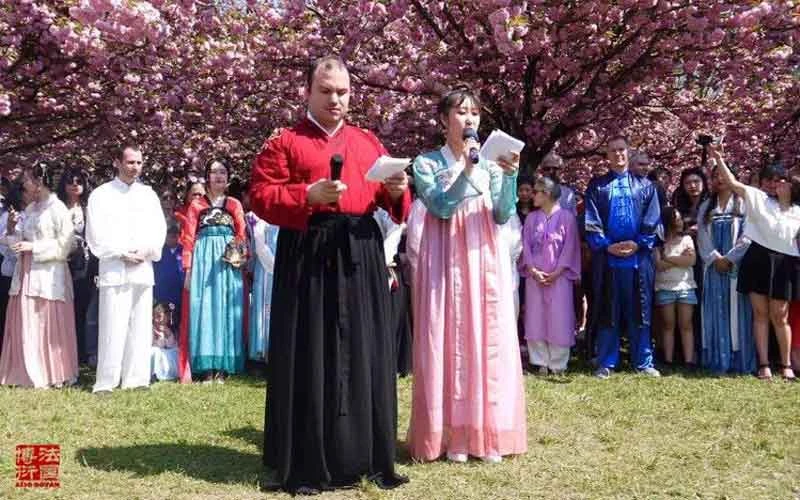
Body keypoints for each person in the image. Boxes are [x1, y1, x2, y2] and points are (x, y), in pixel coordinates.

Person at [249, 55, 410, 494]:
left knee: (363, 350)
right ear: (307, 92)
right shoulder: (284, 141)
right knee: (311, 350)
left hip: (360, 251)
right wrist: (307, 195)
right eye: (326, 91)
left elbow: (391, 201)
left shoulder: (368, 141)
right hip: (308, 252)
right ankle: (306, 455)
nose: (336, 99)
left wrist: (397, 192)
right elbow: (260, 195)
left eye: (342, 91)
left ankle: (364, 452)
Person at [407, 87, 526, 463]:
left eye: (474, 113)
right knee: (447, 334)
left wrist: (510, 177)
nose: (470, 119)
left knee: (485, 334)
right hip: (444, 256)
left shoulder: (491, 164)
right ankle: (450, 433)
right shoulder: (426, 163)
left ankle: (486, 431)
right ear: (444, 120)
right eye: (461, 113)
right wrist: (467, 169)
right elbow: (440, 207)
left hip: (484, 255)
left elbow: (504, 213)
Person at [712, 145, 798, 381]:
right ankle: (763, 364)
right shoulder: (757, 197)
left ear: (788, 183)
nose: (773, 184)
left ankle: (786, 364)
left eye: (779, 180)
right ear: (762, 183)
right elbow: (732, 183)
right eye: (768, 180)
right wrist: (719, 159)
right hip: (757, 258)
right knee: (760, 314)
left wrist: (785, 201)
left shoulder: (797, 210)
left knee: (780, 316)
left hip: (784, 264)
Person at [86, 144, 167, 393]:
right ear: (117, 162)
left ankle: (136, 379)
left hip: (142, 269)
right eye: (130, 162)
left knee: (140, 326)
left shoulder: (148, 195)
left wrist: (146, 251)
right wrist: (121, 253)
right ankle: (106, 382)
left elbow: (159, 229)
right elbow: (95, 235)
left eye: (139, 163)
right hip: (114, 268)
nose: (135, 168)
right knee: (112, 325)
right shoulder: (101, 194)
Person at [584, 135, 661, 378]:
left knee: (641, 309)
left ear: (629, 153)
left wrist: (638, 244)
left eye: (622, 150)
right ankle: (607, 361)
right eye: (613, 151)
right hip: (608, 260)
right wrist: (606, 246)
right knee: (609, 309)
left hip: (638, 260)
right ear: (607, 156)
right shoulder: (597, 186)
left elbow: (653, 220)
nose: (618, 154)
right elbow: (591, 221)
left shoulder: (646, 186)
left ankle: (643, 361)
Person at [0, 163, 78, 388]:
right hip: (26, 273)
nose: (23, 184)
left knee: (46, 322)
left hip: (49, 276)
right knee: (27, 320)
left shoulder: (58, 209)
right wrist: (13, 229)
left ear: (39, 181)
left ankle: (51, 371)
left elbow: (66, 245)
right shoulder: (32, 208)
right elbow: (16, 242)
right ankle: (26, 370)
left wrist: (34, 248)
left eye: (26, 180)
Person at [179, 158, 246, 384]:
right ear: (207, 176)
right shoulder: (197, 205)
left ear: (228, 177)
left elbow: (241, 235)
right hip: (204, 260)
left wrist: (237, 254)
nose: (219, 176)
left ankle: (224, 367)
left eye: (223, 172)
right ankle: (206, 368)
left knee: (226, 307)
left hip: (227, 261)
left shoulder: (235, 204)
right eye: (215, 172)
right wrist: (188, 270)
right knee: (205, 308)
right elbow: (188, 238)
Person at [696, 163, 754, 374]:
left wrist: (730, 258)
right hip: (712, 268)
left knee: (737, 310)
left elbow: (748, 235)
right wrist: (714, 258)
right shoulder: (706, 207)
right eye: (715, 176)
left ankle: (739, 361)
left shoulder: (743, 204)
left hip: (735, 267)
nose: (719, 179)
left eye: (723, 175)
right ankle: (716, 360)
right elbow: (702, 236)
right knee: (713, 310)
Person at [522, 176, 581, 374]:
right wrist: (532, 269)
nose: (532, 196)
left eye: (536, 192)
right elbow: (526, 246)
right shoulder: (531, 218)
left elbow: (570, 247)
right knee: (535, 316)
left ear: (546, 194)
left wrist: (558, 272)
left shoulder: (567, 218)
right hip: (535, 277)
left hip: (559, 277)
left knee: (559, 317)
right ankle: (540, 361)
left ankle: (558, 363)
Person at [56, 166, 94, 364]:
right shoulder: (57, 207)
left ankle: (79, 353)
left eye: (79, 181)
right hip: (59, 263)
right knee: (60, 307)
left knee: (81, 309)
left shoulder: (88, 208)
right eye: (71, 181)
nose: (75, 185)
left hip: (84, 265)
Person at [654, 206, 698, 368]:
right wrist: (679, 259)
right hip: (665, 287)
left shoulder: (687, 240)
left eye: (680, 218)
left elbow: (690, 261)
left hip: (685, 286)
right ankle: (668, 359)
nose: (679, 222)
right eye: (675, 219)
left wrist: (668, 257)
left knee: (686, 324)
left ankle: (688, 360)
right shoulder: (659, 242)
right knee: (668, 324)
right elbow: (659, 265)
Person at [245, 208, 278, 362]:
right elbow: (258, 245)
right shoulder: (257, 219)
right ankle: (262, 350)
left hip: (283, 269)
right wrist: (273, 264)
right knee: (263, 308)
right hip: (266, 270)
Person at [153, 224, 184, 321]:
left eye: (175, 235)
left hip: (179, 296)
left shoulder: (184, 251)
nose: (173, 238)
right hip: (161, 295)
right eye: (170, 235)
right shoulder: (158, 251)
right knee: (161, 323)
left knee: (177, 323)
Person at [150, 302, 178, 381]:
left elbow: (171, 345)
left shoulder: (170, 329)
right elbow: (153, 344)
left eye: (159, 317)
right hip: (156, 351)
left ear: (168, 318)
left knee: (175, 351)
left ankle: (168, 372)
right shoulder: (151, 328)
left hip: (167, 353)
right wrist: (158, 338)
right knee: (155, 351)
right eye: (155, 316)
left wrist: (168, 333)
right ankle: (154, 373)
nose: (157, 320)